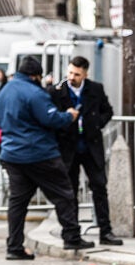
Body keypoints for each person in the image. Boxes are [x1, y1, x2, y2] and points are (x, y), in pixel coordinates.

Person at [0, 56, 90, 260]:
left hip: (12, 155)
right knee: (64, 194)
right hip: (39, 154)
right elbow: (51, 118)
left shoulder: (4, 91)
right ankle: (72, 236)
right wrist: (69, 116)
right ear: (35, 75)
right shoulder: (35, 93)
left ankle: (14, 247)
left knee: (17, 203)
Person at [49, 56, 119, 245]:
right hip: (68, 147)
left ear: (85, 74)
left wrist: (96, 124)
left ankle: (106, 231)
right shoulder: (58, 91)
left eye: (77, 74)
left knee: (99, 187)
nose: (72, 77)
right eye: (70, 72)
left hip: (90, 146)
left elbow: (108, 111)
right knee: (70, 191)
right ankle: (73, 232)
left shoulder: (95, 89)